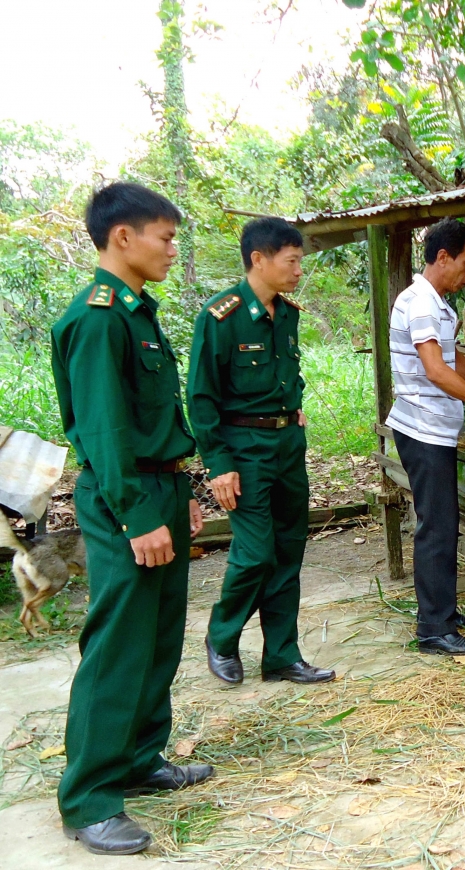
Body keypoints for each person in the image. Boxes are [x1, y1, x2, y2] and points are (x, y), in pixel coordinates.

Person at [51, 182, 211, 856]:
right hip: (128, 500)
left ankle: (142, 757)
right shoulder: (96, 318)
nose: (173, 249)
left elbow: (159, 418)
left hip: (160, 492)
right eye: (165, 237)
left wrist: (188, 493)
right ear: (123, 237)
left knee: (157, 638)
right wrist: (139, 515)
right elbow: (105, 430)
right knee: (118, 647)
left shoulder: (136, 312)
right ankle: (89, 797)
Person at [188, 217, 334, 685]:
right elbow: (202, 397)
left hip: (288, 444)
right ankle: (222, 636)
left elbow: (286, 374)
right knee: (255, 554)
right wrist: (218, 463)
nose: (298, 271)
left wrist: (292, 409)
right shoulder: (221, 317)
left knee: (289, 549)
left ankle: (281, 656)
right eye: (291, 261)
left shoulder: (287, 314)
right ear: (259, 259)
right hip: (244, 450)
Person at [388, 218, 465, 656]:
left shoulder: (437, 303)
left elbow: (452, 358)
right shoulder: (420, 302)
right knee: (437, 528)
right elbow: (435, 370)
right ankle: (435, 630)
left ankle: (444, 611)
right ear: (442, 257)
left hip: (434, 429)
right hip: (422, 429)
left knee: (444, 522)